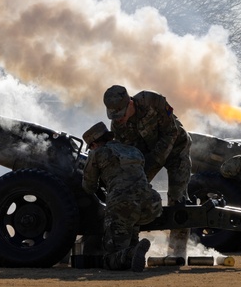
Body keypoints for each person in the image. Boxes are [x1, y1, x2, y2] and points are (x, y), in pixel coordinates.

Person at [103, 84, 192, 258]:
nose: (119, 120)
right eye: (115, 116)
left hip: (176, 149)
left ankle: (177, 253)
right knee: (133, 192)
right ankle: (131, 246)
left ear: (130, 103)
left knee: (178, 197)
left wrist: (155, 159)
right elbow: (128, 154)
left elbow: (171, 132)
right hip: (147, 157)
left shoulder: (152, 101)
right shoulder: (118, 126)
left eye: (121, 114)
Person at [80, 122, 163, 272]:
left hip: (123, 204)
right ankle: (134, 249)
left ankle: (131, 253)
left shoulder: (97, 153)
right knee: (130, 225)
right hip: (151, 202)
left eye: (90, 147)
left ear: (94, 144)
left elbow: (89, 186)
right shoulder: (133, 150)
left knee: (109, 258)